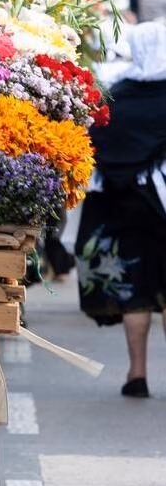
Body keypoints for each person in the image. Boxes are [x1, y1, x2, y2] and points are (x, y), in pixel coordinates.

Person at [76, 22, 166, 398]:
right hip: (162, 208)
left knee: (135, 289)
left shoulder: (115, 98)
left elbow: (93, 149)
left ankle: (137, 373)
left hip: (121, 206)